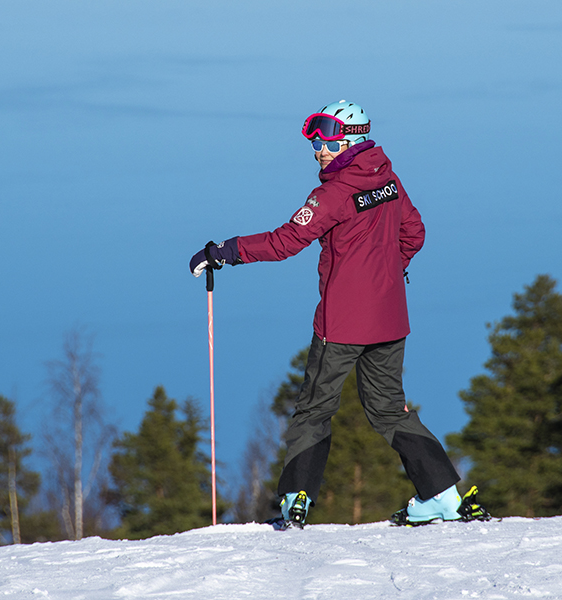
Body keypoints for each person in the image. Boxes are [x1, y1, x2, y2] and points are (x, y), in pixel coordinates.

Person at [190, 100, 489, 528]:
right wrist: (385, 272)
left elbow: (285, 241)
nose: (318, 149)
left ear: (349, 138)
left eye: (325, 139)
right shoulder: (386, 177)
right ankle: (443, 497)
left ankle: (296, 499)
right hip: (388, 317)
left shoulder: (332, 193)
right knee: (389, 409)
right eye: (316, 139)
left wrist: (226, 252)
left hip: (342, 322)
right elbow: (414, 232)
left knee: (314, 409)